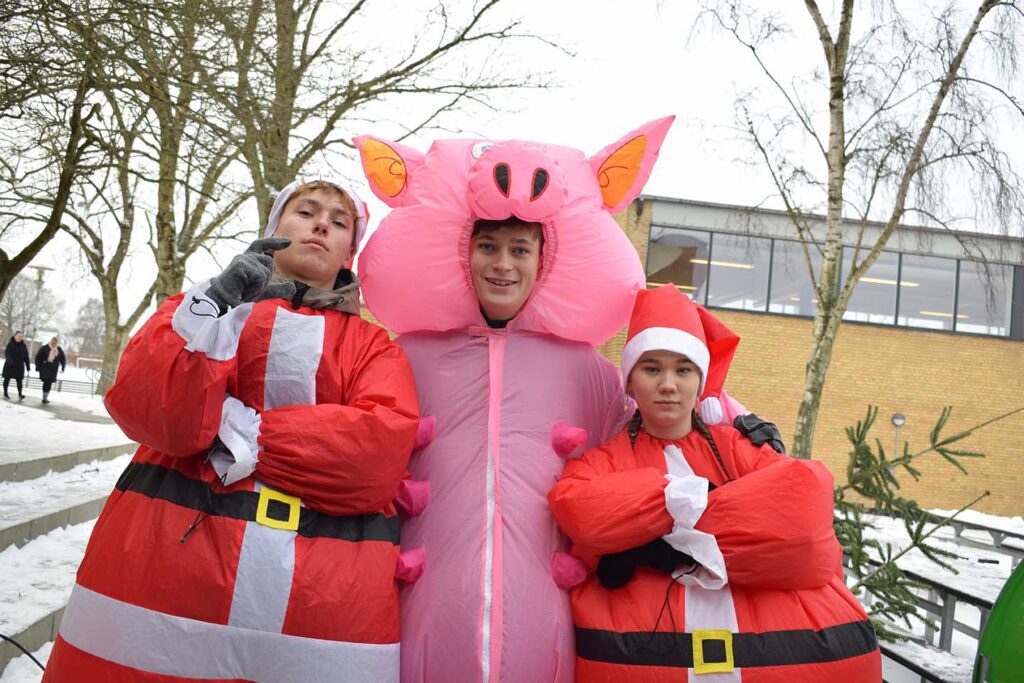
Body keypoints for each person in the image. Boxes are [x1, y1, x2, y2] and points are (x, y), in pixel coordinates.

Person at [354, 120, 784, 682]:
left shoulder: (585, 369)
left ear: (542, 261)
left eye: (518, 249)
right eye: (488, 247)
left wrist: (730, 415)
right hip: (425, 608)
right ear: (467, 255)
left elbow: (657, 413)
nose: (502, 265)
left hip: (546, 618)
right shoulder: (406, 355)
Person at [43, 179, 420, 682]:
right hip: (163, 585)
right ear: (274, 228)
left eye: (340, 219)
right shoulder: (204, 304)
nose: (321, 223)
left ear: (352, 247)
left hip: (324, 606)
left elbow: (374, 454)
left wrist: (236, 429)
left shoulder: (374, 346)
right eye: (305, 211)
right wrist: (214, 304)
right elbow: (147, 406)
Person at [548, 284, 882, 682]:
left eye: (683, 369)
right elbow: (579, 508)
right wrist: (694, 502)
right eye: (652, 368)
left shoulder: (737, 446)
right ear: (630, 381)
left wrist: (654, 540)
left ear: (700, 380)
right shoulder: (603, 460)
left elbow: (802, 512)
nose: (668, 384)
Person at [34, 336, 66, 404]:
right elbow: (38, 358)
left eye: (55, 343)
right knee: (46, 381)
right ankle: (44, 397)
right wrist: (37, 366)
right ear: (50, 342)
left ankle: (45, 396)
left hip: (53, 369)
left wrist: (63, 367)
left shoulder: (59, 349)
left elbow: (63, 359)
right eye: (53, 343)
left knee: (49, 382)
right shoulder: (44, 348)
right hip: (45, 367)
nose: (54, 344)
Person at [3, 331, 31, 400]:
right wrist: (10, 361)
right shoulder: (10, 344)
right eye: (18, 336)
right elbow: (7, 354)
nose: (19, 337)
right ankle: (5, 393)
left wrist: (28, 366)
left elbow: (26, 356)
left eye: (21, 336)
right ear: (15, 336)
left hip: (19, 366)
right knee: (7, 379)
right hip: (10, 365)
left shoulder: (23, 345)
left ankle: (20, 394)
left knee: (19, 381)